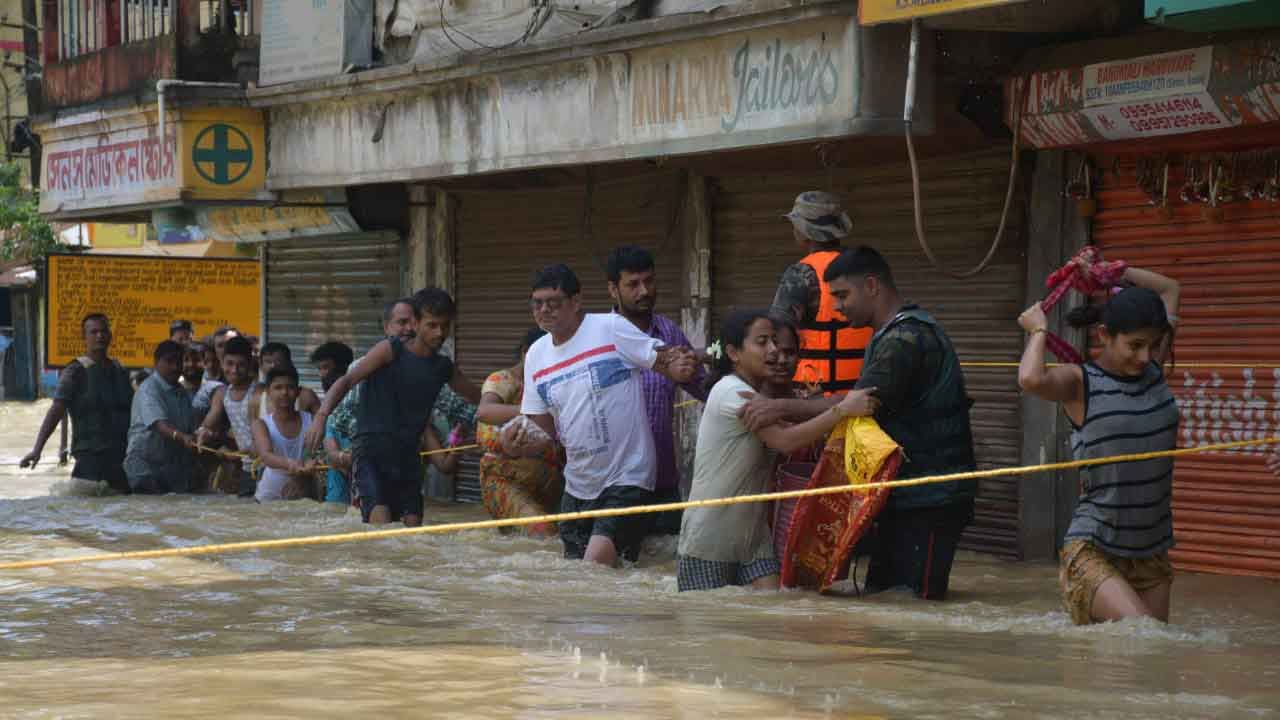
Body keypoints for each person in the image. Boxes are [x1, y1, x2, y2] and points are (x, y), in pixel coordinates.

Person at [502, 264, 698, 566]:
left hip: (629, 475)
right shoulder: (536, 355)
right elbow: (544, 432)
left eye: (553, 303)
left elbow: (662, 359)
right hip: (578, 483)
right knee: (578, 576)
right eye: (537, 304)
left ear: (576, 302)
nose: (544, 311)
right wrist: (516, 443)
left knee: (595, 565)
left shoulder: (609, 327)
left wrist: (677, 367)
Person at [1018, 267, 1182, 625]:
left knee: (1145, 669)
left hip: (1151, 552)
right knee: (1146, 636)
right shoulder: (1081, 383)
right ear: (1105, 335)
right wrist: (1039, 329)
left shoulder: (1153, 369)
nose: (1144, 356)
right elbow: (1030, 378)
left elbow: (1170, 287)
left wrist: (1116, 270)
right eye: (1134, 345)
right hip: (1094, 549)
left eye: (1152, 345)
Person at [679, 310, 878, 592]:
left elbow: (801, 424)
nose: (773, 350)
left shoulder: (757, 395)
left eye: (774, 341)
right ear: (735, 353)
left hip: (752, 538)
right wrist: (842, 409)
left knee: (771, 619)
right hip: (712, 538)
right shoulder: (731, 392)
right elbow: (785, 440)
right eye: (762, 342)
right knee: (708, 627)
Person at [305, 294, 479, 526]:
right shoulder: (390, 350)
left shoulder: (442, 367)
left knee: (412, 530)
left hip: (408, 459)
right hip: (370, 455)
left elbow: (478, 398)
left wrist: (515, 411)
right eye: (432, 325)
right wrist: (321, 416)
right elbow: (347, 382)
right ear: (416, 324)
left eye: (445, 326)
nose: (440, 333)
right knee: (382, 527)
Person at [605, 246, 706, 535]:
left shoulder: (670, 333)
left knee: (662, 569)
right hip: (612, 484)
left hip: (662, 481)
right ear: (613, 289)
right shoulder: (598, 336)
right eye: (633, 284)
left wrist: (742, 383)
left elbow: (703, 386)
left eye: (649, 281)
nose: (644, 291)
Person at [770, 191, 872, 394]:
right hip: (863, 398)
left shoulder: (801, 274)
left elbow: (774, 333)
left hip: (814, 402)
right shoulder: (865, 266)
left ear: (804, 231)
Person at [20, 313, 133, 494]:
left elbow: (134, 413)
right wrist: (37, 449)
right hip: (89, 459)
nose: (99, 336)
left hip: (118, 460)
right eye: (93, 332)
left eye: (103, 331)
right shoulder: (75, 371)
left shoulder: (119, 371)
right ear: (84, 337)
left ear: (110, 335)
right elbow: (56, 409)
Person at [475, 327, 562, 537]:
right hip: (505, 478)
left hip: (550, 480)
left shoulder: (553, 382)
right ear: (525, 352)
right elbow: (484, 411)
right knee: (541, 531)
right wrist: (533, 414)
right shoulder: (504, 381)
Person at [124, 340, 198, 493]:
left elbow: (191, 429)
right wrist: (183, 437)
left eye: (178, 362)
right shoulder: (148, 389)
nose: (175, 367)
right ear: (156, 362)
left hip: (172, 471)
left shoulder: (182, 393)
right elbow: (159, 425)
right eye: (169, 361)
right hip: (143, 470)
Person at [195, 336, 258, 495]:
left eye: (241, 365)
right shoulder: (222, 393)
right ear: (222, 363)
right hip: (245, 468)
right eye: (230, 364)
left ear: (250, 365)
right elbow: (209, 422)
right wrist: (204, 432)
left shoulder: (259, 391)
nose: (235, 370)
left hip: (267, 467)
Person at [251, 364, 320, 502]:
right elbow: (266, 456)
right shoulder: (260, 424)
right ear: (268, 392)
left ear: (298, 391)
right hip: (268, 496)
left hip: (305, 492)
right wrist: (292, 464)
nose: (284, 392)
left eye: (290, 387)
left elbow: (314, 454)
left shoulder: (311, 421)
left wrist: (310, 464)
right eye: (278, 387)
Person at [250, 342, 320, 423]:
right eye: (268, 362)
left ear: (289, 362)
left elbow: (323, 426)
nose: (273, 365)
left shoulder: (307, 396)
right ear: (261, 365)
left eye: (278, 361)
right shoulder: (256, 399)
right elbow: (253, 430)